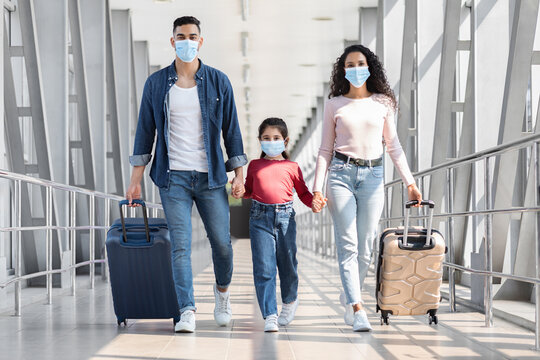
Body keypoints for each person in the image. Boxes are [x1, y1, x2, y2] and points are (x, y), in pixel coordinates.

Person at [126, 16, 247, 333]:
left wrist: (240, 175)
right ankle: (187, 309)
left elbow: (231, 133)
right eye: (181, 36)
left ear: (201, 41)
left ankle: (222, 295)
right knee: (180, 246)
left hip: (211, 178)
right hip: (173, 177)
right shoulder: (156, 84)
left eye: (192, 36)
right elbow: (145, 133)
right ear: (172, 41)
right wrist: (135, 179)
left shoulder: (219, 82)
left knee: (222, 243)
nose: (187, 41)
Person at [311, 44, 422, 332]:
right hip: (340, 175)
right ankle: (358, 308)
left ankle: (351, 296)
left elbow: (394, 146)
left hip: (373, 175)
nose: (355, 68)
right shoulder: (334, 104)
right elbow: (324, 149)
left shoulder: (383, 103)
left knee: (366, 246)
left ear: (369, 66)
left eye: (360, 63)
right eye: (350, 64)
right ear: (343, 70)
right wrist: (317, 189)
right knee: (347, 245)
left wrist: (410, 182)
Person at [242, 118, 325, 332]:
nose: (271, 142)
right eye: (266, 138)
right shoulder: (254, 165)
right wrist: (240, 191)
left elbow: (304, 193)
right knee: (264, 268)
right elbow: (249, 190)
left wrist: (314, 203)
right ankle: (270, 314)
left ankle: (289, 301)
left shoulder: (293, 167)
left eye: (276, 138)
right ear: (260, 141)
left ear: (285, 141)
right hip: (260, 218)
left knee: (288, 264)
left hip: (286, 218)